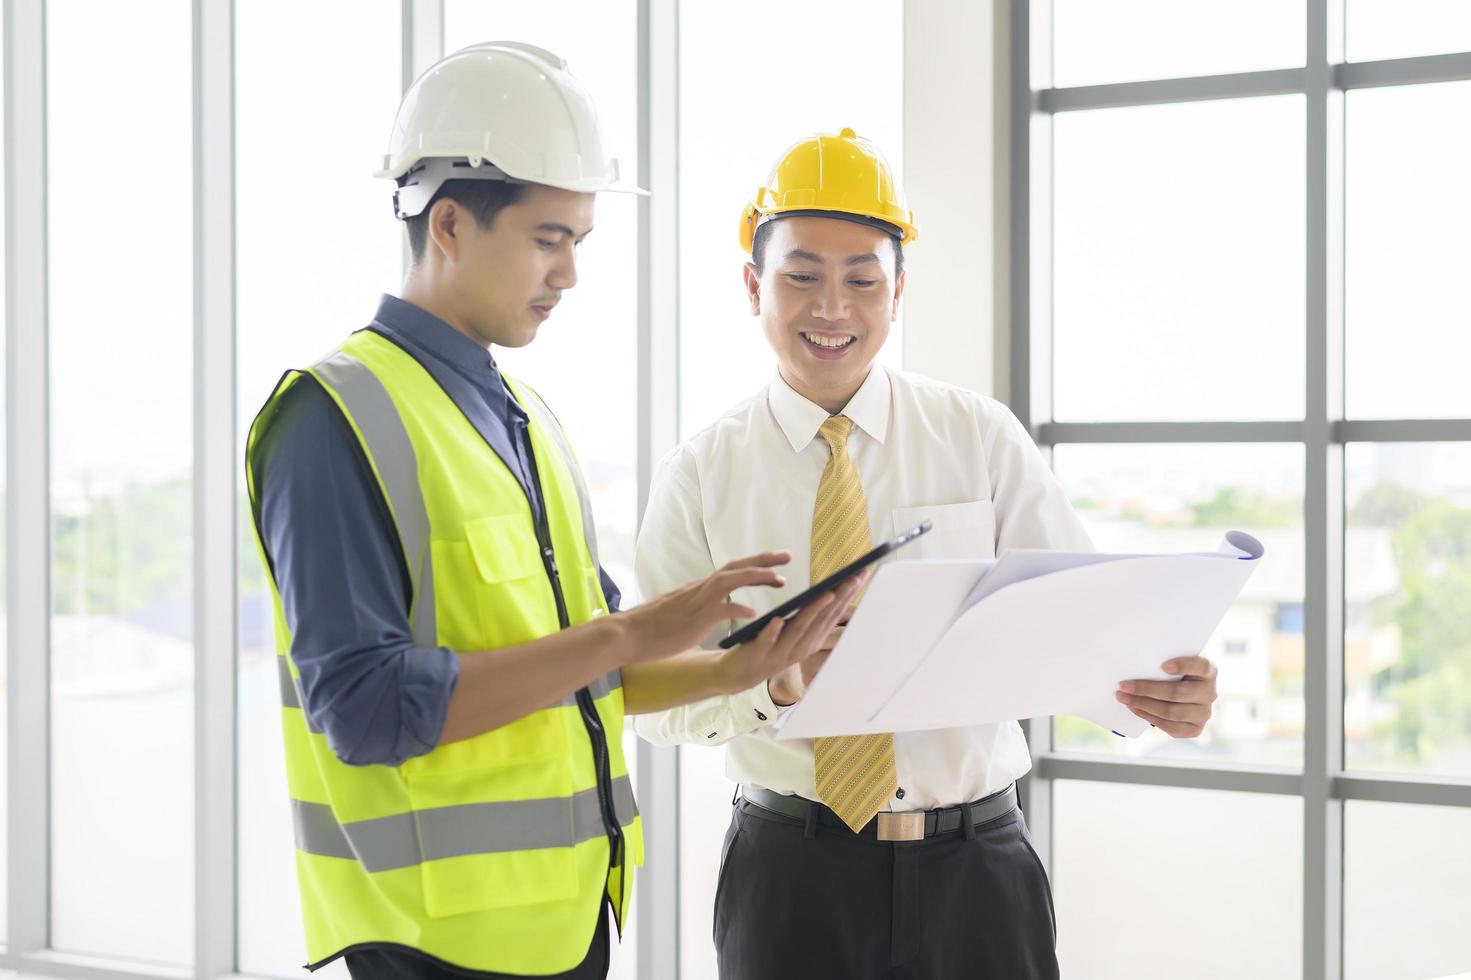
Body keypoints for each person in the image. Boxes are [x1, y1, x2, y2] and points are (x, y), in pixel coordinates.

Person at [245, 45, 859, 980]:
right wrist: (627, 633)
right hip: (432, 939)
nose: (568, 273)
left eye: (578, 241)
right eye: (547, 239)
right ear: (447, 224)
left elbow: (585, 682)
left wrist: (744, 669)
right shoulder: (332, 418)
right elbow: (365, 711)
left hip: (566, 922)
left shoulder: (526, 419)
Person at [633, 128, 1220, 979]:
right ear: (754, 285)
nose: (831, 307)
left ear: (897, 291)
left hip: (976, 872)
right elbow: (649, 701)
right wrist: (774, 683)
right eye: (801, 275)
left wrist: (1165, 689)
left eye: (861, 280)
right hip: (790, 873)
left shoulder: (976, 437)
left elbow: (1083, 625)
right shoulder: (699, 474)